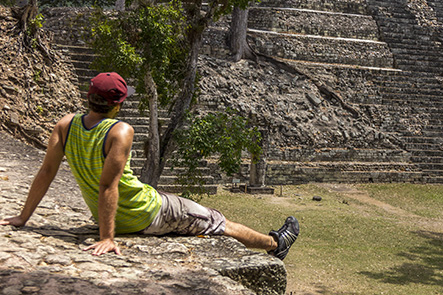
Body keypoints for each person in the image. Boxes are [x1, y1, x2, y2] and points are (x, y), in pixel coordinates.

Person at [0, 72, 299, 260]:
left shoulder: (66, 126)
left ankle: (273, 241)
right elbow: (108, 185)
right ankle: (276, 243)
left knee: (203, 217)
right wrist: (107, 238)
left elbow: (46, 172)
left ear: (89, 97)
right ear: (117, 105)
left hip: (122, 214)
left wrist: (23, 217)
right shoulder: (119, 131)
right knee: (216, 221)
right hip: (149, 213)